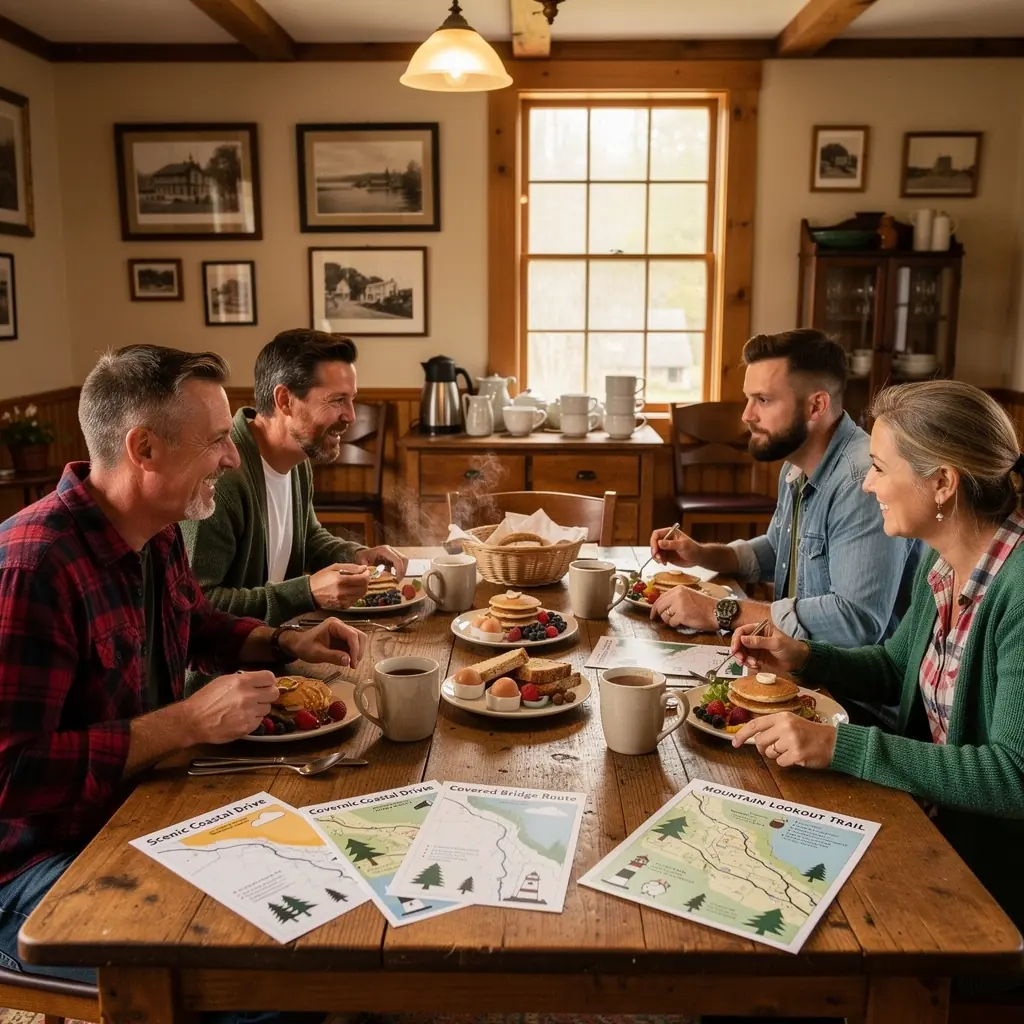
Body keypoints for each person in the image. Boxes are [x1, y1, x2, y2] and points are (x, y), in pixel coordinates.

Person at [0, 345, 366, 992]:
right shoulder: (31, 568)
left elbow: (196, 626)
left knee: (333, 907)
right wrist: (187, 722)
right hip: (34, 866)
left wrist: (285, 643)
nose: (232, 458)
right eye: (217, 442)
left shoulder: (158, 529)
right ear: (144, 449)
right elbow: (11, 776)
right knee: (263, 977)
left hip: (143, 807)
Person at [728, 380, 1024, 932]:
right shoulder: (945, 566)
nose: (867, 484)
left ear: (942, 484)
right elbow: (893, 669)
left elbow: (1012, 776)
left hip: (991, 882)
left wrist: (841, 744)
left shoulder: (1019, 590)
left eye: (881, 468)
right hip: (930, 825)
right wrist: (803, 657)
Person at [649, 329, 920, 649]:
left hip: (846, 692)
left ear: (816, 406)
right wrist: (701, 554)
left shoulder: (859, 481)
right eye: (749, 399)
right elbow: (778, 551)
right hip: (796, 662)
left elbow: (856, 622)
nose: (747, 415)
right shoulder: (796, 463)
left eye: (763, 400)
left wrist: (719, 610)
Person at [182, 329, 407, 641]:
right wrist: (306, 592)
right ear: (285, 400)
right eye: (337, 400)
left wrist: (355, 554)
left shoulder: (297, 458)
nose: (351, 416)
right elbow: (197, 608)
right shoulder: (222, 477)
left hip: (281, 649)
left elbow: (307, 538)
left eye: (351, 399)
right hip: (228, 678)